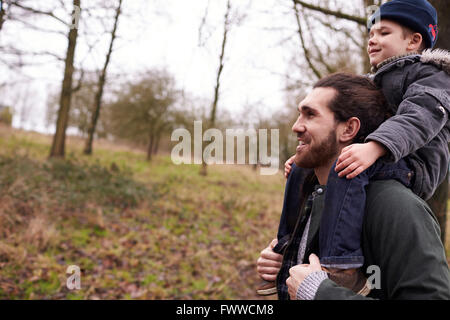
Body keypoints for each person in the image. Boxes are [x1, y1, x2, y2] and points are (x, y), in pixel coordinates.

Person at [260, 0, 450, 295]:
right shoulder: (376, 80)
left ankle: (341, 263)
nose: (373, 39)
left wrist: (374, 147)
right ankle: (284, 244)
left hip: (413, 165)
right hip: (378, 155)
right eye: (370, 33)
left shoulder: (431, 76)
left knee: (344, 169)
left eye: (384, 33)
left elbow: (418, 118)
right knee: (301, 168)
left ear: (414, 41)